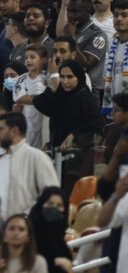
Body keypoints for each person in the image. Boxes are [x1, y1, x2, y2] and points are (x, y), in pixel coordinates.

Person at [33, 60, 102, 189]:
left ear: (78, 77)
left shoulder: (84, 97)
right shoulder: (61, 95)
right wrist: (52, 88)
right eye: (62, 77)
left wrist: (73, 135)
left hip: (78, 160)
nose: (65, 81)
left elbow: (95, 123)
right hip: (58, 155)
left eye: (70, 77)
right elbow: (40, 104)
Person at [0, 113, 58, 218]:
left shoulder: (36, 158)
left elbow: (53, 196)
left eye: (0, 129)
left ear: (14, 130)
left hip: (25, 227)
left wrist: (29, 216)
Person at [29, 187, 74, 273]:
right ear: (41, 205)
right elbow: (25, 259)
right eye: (50, 204)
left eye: (59, 206)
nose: (54, 208)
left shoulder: (60, 235)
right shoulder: (29, 231)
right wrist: (55, 261)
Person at [12, 43, 47, 148]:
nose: (28, 60)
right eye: (26, 57)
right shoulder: (21, 79)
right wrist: (43, 100)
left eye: (32, 57)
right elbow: (20, 98)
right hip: (26, 123)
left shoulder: (47, 78)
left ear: (43, 60)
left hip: (43, 123)